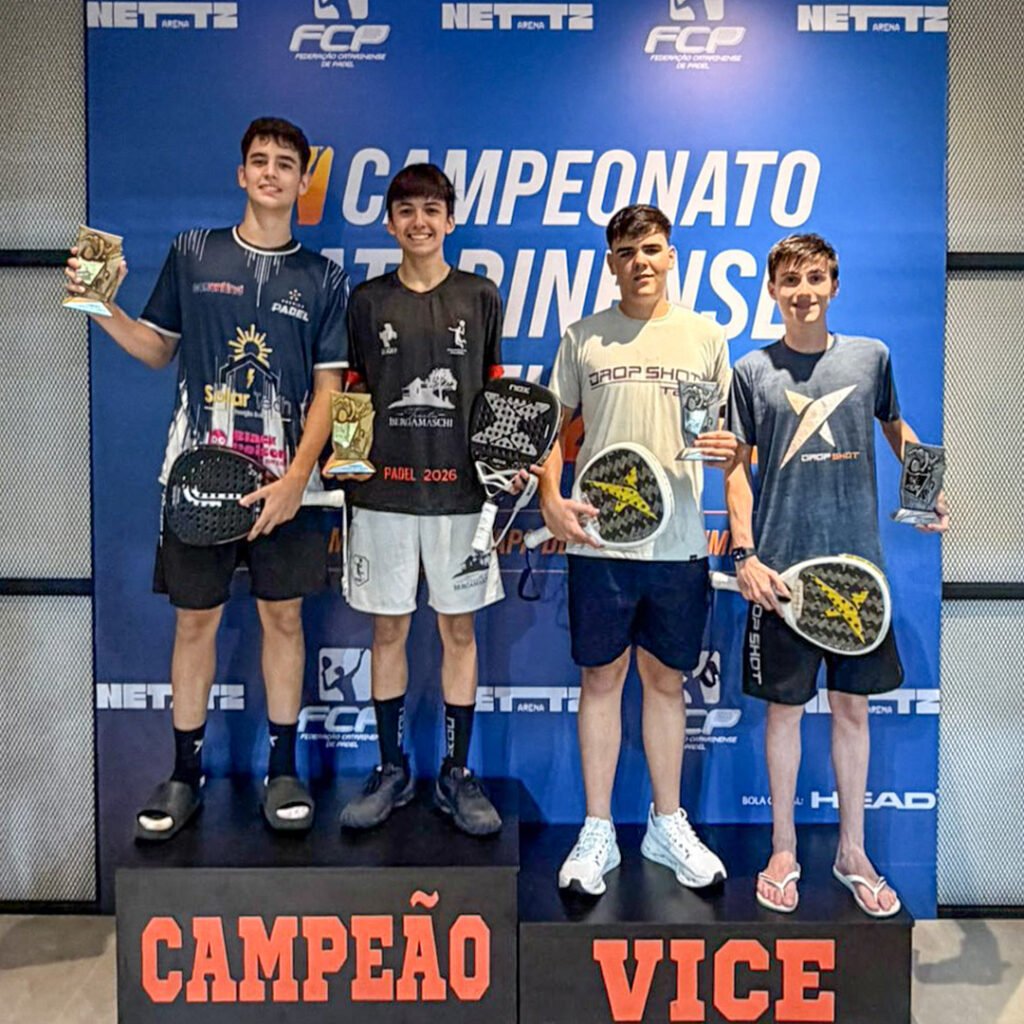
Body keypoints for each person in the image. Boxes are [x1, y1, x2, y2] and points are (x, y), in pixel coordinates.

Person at [66, 117, 349, 839]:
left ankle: (282, 769)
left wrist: (296, 479)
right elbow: (155, 349)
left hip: (285, 487)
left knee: (284, 619)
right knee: (195, 622)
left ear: (302, 180)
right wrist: (99, 304)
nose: (271, 172)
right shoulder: (193, 252)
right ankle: (183, 774)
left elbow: (330, 390)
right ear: (241, 173)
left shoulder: (323, 276)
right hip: (196, 483)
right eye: (259, 160)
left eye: (285, 163)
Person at [723, 232, 948, 916]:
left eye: (816, 278)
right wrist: (745, 555)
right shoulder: (750, 371)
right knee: (784, 715)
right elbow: (734, 467)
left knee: (853, 712)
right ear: (772, 290)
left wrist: (926, 492)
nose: (804, 292)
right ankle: (783, 850)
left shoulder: (870, 356)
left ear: (835, 284)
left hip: (858, 577)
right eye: (791, 280)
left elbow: (897, 428)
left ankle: (853, 853)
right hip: (781, 579)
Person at [537, 204, 736, 896]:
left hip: (679, 544)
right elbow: (548, 430)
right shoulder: (582, 338)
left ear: (670, 255)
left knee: (665, 682)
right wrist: (551, 501)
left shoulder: (706, 337)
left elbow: (724, 441)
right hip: (599, 544)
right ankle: (597, 829)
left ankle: (666, 822)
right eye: (626, 252)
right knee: (600, 680)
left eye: (651, 249)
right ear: (611, 263)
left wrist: (731, 457)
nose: (640, 262)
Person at [338, 164, 505, 836]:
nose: (420, 222)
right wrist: (348, 461)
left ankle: (456, 773)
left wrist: (500, 464)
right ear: (389, 223)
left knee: (458, 631)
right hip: (382, 494)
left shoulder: (480, 296)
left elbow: (493, 389)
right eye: (406, 210)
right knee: (388, 631)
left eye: (432, 209)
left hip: (461, 496)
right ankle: (392, 768)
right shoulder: (367, 301)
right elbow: (353, 390)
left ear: (450, 220)